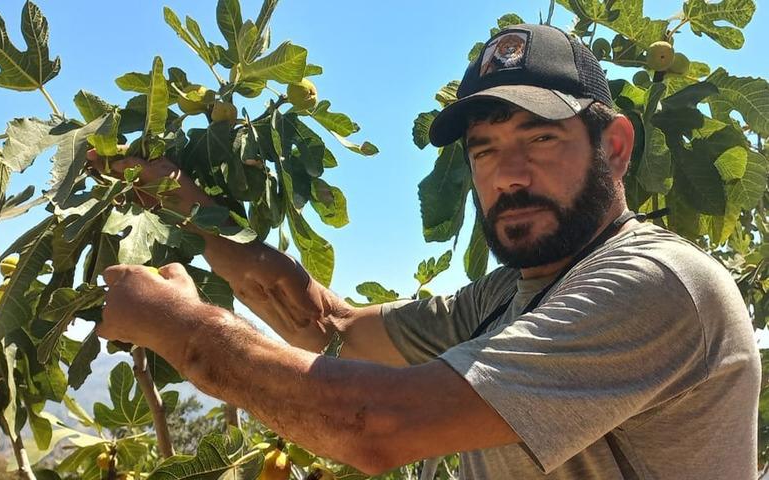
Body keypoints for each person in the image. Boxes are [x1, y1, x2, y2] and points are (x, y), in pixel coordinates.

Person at [95, 24, 760, 479]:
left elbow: (375, 426)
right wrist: (187, 207)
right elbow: (330, 328)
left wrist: (183, 330)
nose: (509, 176)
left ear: (613, 148)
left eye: (541, 138)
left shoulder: (658, 285)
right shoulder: (507, 296)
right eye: (485, 150)